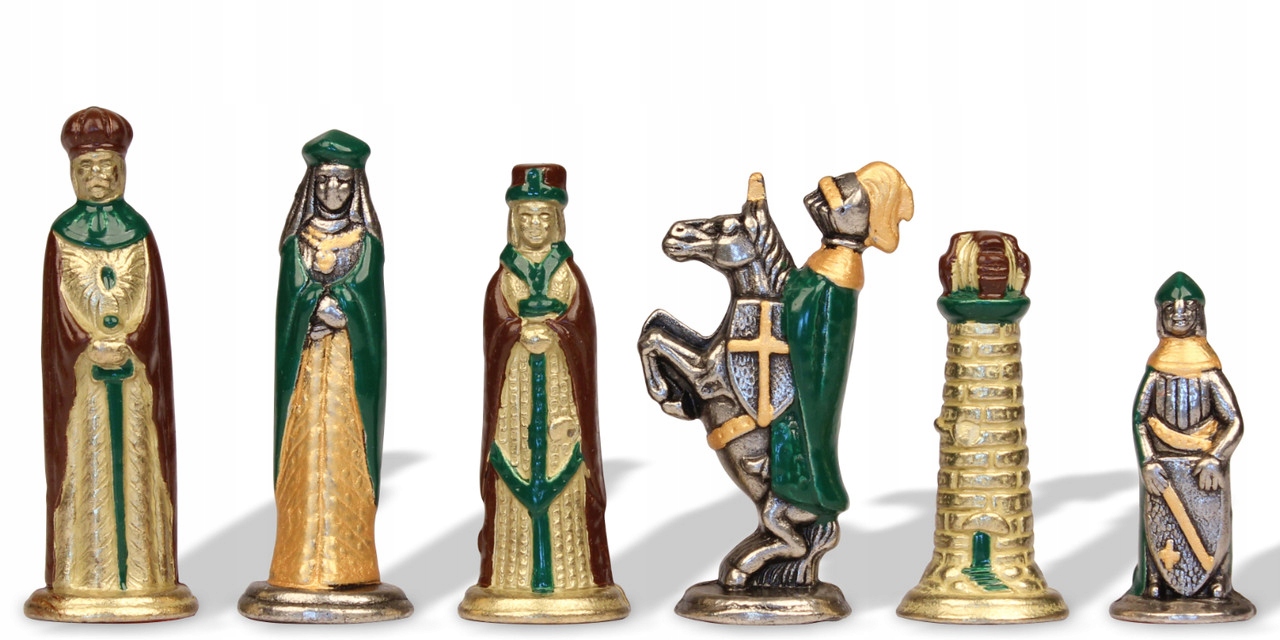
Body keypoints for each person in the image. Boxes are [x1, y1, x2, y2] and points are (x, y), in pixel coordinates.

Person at [27, 106, 197, 622]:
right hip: (85, 384)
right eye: (87, 169)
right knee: (86, 461)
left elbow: (151, 310)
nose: (98, 179)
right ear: (72, 173)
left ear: (122, 171)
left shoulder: (137, 231)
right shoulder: (62, 233)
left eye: (107, 169)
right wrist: (87, 347)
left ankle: (147, 574)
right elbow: (58, 315)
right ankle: (81, 573)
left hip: (134, 379)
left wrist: (129, 345)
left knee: (139, 461)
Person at [239, 130, 409, 623]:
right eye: (325, 181)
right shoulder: (299, 242)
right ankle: (294, 562)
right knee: (303, 453)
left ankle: (350, 564)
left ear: (356, 187)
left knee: (345, 454)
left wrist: (345, 312)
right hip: (307, 372)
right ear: (311, 185)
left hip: (347, 375)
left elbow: (369, 306)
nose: (333, 190)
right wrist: (311, 310)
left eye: (343, 182)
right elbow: (289, 302)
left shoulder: (365, 243)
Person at [460, 164, 628, 623]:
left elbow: (583, 333)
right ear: (514, 220)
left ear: (557, 221)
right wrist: (515, 332)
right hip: (514, 397)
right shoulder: (502, 277)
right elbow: (494, 331)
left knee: (565, 469)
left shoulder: (569, 276)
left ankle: (575, 576)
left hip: (560, 391)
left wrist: (558, 332)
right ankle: (508, 576)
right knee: (512, 468)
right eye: (526, 216)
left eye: (543, 216)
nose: (534, 225)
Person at [1111, 272, 1254, 623]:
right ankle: (1157, 583)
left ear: (1199, 314)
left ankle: (1216, 582)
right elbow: (1141, 419)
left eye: (1187, 307)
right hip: (1163, 468)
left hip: (1205, 468)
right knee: (1158, 524)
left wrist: (1216, 456)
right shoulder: (1156, 371)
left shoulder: (1209, 372)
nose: (1178, 314)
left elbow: (1234, 421)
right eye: (1170, 308)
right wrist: (1148, 461)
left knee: (1213, 526)